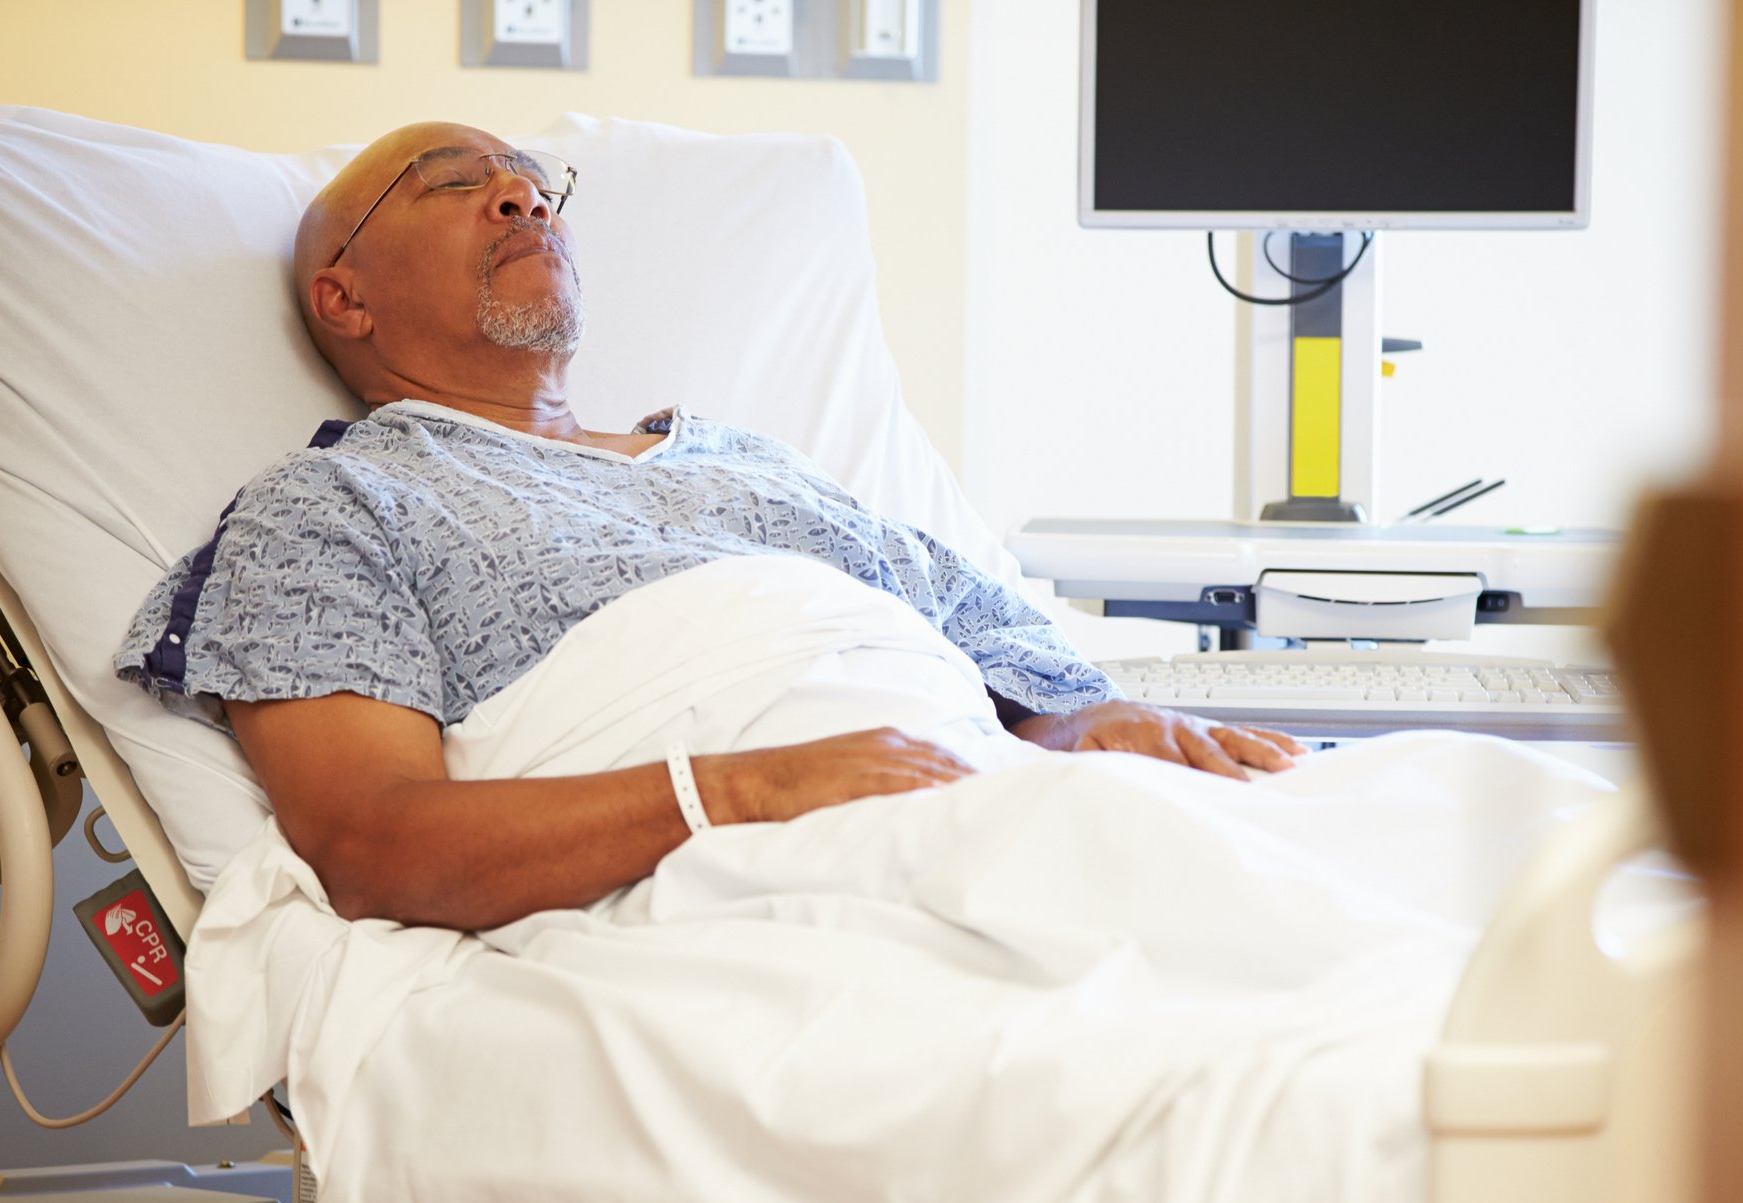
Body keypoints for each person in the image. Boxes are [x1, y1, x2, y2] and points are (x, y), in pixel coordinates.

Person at [115, 122, 1302, 933]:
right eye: (451, 183)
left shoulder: (754, 464)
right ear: (345, 296)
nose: (523, 197)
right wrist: (756, 787)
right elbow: (373, 846)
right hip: (773, 880)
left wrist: (1087, 727)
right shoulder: (330, 508)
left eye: (532, 182)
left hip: (981, 800)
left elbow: (1011, 677)